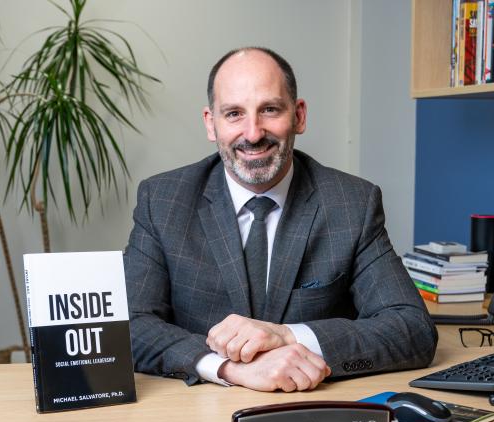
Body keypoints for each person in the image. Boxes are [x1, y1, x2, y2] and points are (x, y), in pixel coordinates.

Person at [124, 47, 437, 392]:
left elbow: (412, 329)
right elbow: (129, 324)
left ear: (299, 116)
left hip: (315, 407)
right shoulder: (163, 200)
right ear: (211, 124)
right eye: (233, 114)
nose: (254, 133)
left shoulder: (352, 203)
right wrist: (227, 368)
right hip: (197, 411)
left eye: (269, 110)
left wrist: (288, 336)